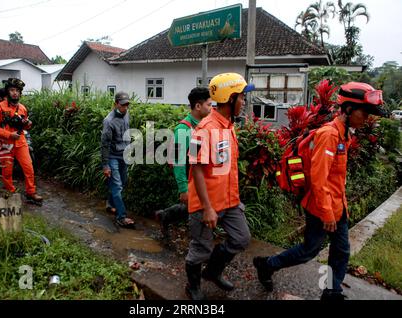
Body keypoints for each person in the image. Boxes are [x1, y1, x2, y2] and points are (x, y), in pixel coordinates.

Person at [253, 82, 388, 301]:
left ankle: (331, 291)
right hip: (322, 207)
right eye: (365, 112)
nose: (367, 118)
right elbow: (318, 179)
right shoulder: (330, 135)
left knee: (341, 251)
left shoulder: (344, 133)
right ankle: (267, 265)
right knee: (309, 250)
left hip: (337, 206)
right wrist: (327, 213)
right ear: (349, 109)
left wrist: (337, 208)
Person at [184, 73, 255, 300]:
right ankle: (193, 287)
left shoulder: (229, 125)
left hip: (229, 200)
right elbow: (194, 167)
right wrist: (207, 208)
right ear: (230, 98)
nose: (244, 102)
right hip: (206, 203)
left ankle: (213, 272)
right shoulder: (203, 129)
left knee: (241, 238)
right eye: (242, 98)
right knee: (201, 248)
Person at [154, 87, 212, 238]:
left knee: (194, 208)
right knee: (195, 209)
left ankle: (164, 216)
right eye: (209, 105)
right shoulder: (183, 129)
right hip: (190, 178)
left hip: (202, 177)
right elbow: (178, 161)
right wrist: (183, 188)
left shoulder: (204, 125)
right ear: (198, 106)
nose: (211, 109)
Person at [0, 78, 43, 204]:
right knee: (7, 171)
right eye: (12, 90)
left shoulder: (23, 108)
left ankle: (31, 192)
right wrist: (8, 135)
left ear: (20, 93)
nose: (15, 93)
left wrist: (28, 124)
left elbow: (25, 125)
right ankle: (11, 192)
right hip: (6, 144)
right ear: (7, 92)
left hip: (21, 143)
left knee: (29, 168)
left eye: (17, 91)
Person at [101, 91, 134, 228]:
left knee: (123, 182)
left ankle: (110, 204)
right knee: (117, 186)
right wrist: (105, 165)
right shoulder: (108, 121)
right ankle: (121, 217)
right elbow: (104, 145)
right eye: (122, 105)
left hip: (124, 155)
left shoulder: (127, 115)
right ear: (115, 104)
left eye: (127, 105)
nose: (125, 107)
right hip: (113, 157)